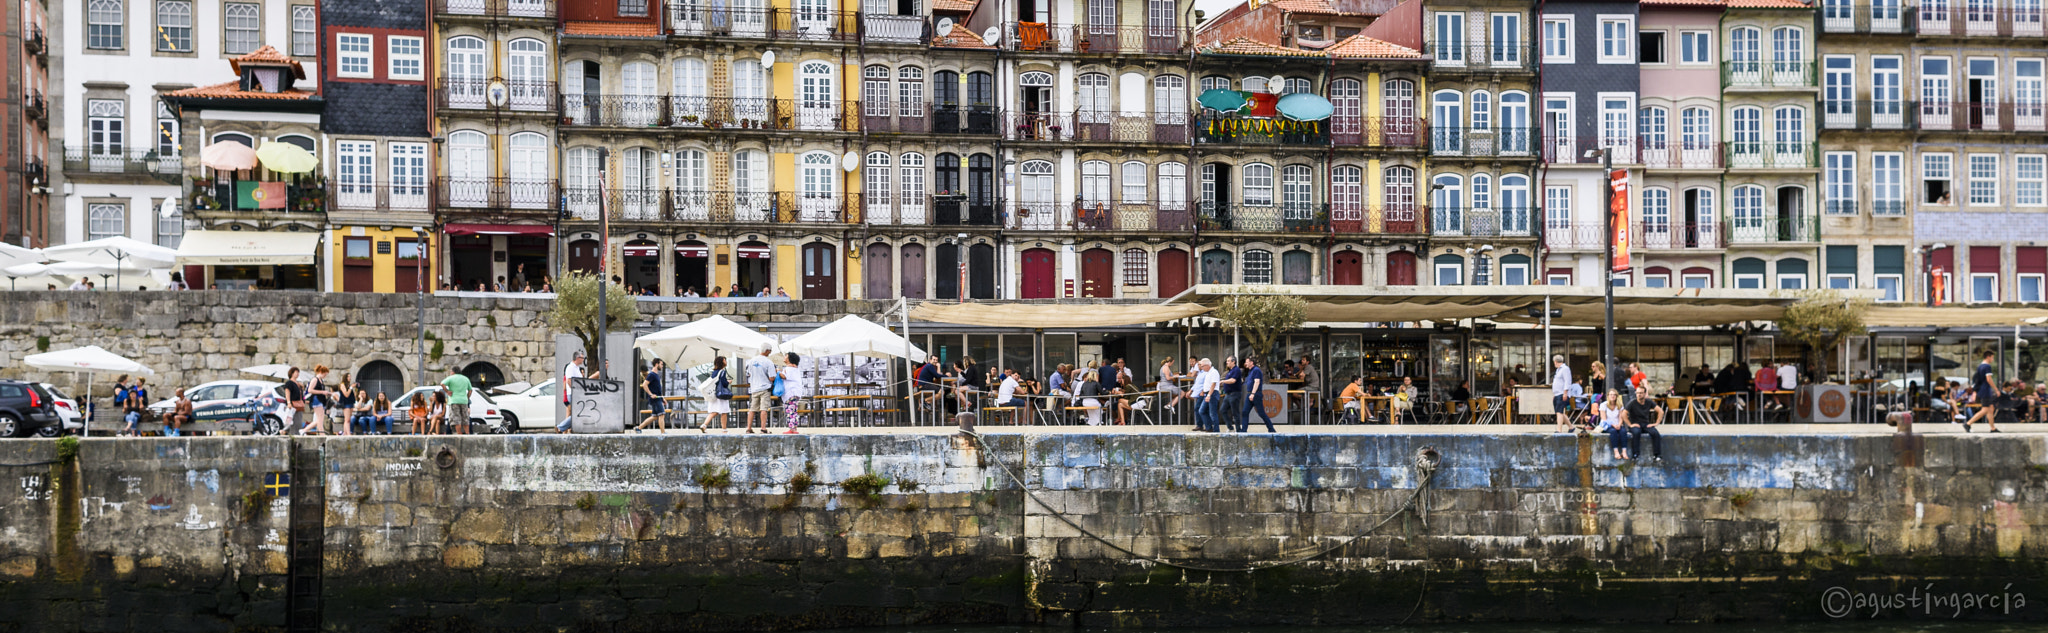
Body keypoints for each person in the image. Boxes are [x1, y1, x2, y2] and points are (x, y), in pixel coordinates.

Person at [1963, 351, 2000, 432]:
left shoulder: (1980, 366)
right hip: (1985, 390)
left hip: (1981, 390)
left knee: (1990, 408)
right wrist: (1996, 389)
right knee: (1985, 409)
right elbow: (1988, 379)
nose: (1993, 359)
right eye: (1992, 357)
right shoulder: (1987, 367)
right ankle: (1968, 423)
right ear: (1988, 357)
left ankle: (1993, 428)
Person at [1626, 385, 1665, 461]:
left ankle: (1657, 455)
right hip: (1635, 424)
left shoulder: (1648, 401)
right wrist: (1630, 424)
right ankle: (1635, 454)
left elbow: (1660, 411)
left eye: (1641, 393)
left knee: (1655, 433)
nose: (1639, 394)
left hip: (1645, 423)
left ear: (1644, 393)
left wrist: (1656, 423)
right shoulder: (1632, 402)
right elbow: (1624, 413)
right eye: (1637, 393)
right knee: (1636, 433)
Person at [745, 346, 778, 434]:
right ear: (767, 351)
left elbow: (749, 374)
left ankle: (749, 428)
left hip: (754, 388)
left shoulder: (751, 361)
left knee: (752, 409)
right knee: (764, 409)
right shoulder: (768, 362)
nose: (770, 353)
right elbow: (771, 378)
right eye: (770, 351)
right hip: (765, 388)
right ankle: (763, 428)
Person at [557, 350, 591, 434]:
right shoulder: (570, 367)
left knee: (578, 413)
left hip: (577, 394)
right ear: (577, 358)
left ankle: (569, 428)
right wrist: (576, 391)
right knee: (577, 413)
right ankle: (560, 427)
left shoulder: (576, 368)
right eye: (582, 358)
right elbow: (569, 381)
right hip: (573, 394)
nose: (583, 360)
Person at [1240, 357, 1275, 433]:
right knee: (1245, 412)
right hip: (1250, 394)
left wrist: (1253, 393)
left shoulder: (1256, 370)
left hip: (1255, 394)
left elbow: (1257, 382)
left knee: (1261, 413)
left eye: (1247, 362)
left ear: (1251, 362)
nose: (1245, 363)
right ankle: (1244, 430)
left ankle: (1271, 429)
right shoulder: (1250, 371)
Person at [634, 358, 669, 433]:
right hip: (655, 399)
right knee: (662, 414)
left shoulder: (656, 375)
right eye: (661, 364)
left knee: (655, 416)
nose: (662, 366)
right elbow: (644, 385)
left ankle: (639, 428)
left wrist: (663, 398)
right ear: (657, 364)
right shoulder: (652, 374)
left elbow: (657, 389)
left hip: (658, 398)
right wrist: (651, 394)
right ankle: (663, 433)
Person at [699, 356, 732, 432]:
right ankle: (724, 429)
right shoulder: (722, 371)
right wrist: (728, 382)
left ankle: (704, 425)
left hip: (714, 395)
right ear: (722, 362)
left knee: (713, 412)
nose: (726, 361)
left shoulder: (714, 372)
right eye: (725, 360)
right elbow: (724, 383)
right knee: (724, 412)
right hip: (721, 395)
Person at [1596, 390, 1630, 460]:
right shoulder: (1603, 405)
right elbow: (1604, 419)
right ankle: (1616, 451)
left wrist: (1619, 425)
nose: (1612, 396)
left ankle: (1624, 451)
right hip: (1607, 425)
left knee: (1623, 432)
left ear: (1616, 396)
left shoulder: (1620, 406)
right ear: (1608, 396)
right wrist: (1613, 425)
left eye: (1614, 395)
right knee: (1613, 432)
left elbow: (1621, 418)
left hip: (1618, 424)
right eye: (1611, 394)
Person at [780, 352, 806, 434]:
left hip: (790, 393)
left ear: (789, 359)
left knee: (790, 411)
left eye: (786, 356)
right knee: (794, 410)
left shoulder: (790, 369)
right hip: (795, 393)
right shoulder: (795, 369)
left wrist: (778, 372)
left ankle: (792, 429)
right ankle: (794, 428)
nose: (784, 357)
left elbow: (784, 376)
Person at [283, 367, 314, 435]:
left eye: (298, 372)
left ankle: (294, 433)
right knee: (292, 421)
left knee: (298, 421)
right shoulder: (289, 383)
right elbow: (287, 392)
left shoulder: (298, 383)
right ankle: (290, 433)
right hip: (292, 404)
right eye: (296, 372)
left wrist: (302, 388)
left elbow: (300, 395)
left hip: (298, 404)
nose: (297, 374)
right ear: (292, 373)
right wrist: (289, 402)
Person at [1191, 358, 1219, 432]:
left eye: (1202, 366)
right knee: (1202, 410)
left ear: (1207, 365)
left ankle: (1216, 430)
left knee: (1212, 413)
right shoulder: (1208, 373)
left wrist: (1209, 395)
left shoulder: (1214, 372)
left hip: (1212, 394)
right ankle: (1208, 427)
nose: (1202, 368)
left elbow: (1213, 384)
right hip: (1207, 393)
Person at [441, 371, 472, 435]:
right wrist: (467, 397)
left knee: (456, 419)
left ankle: (459, 434)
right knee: (465, 418)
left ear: (453, 372)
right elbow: (470, 390)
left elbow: (442, 384)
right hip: (464, 401)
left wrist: (447, 391)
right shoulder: (466, 378)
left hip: (454, 400)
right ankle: (467, 433)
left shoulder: (451, 378)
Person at [1216, 355, 1242, 431]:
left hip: (1234, 394)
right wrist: (1223, 383)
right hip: (1228, 394)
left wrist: (1223, 381)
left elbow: (1233, 380)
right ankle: (1230, 427)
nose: (1226, 362)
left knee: (1235, 412)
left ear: (1233, 362)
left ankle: (1238, 430)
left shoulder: (1236, 370)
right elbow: (1229, 381)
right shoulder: (1230, 371)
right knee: (1222, 410)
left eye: (1228, 361)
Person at [1551, 354, 1573, 433]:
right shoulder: (1558, 370)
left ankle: (1559, 430)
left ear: (1556, 362)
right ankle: (1571, 427)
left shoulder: (1565, 369)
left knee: (1559, 412)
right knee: (1559, 412)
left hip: (1562, 393)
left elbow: (1567, 381)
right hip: (1557, 393)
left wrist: (1565, 393)